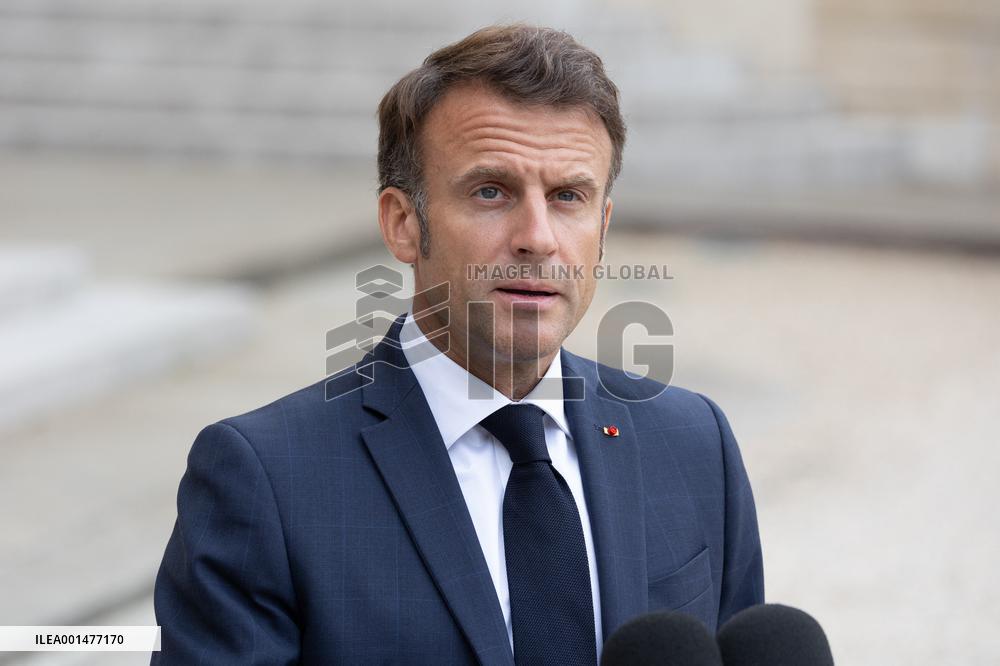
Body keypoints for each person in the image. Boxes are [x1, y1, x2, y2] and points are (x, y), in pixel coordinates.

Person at [152, 24, 763, 665]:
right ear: (403, 224)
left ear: (602, 227)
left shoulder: (695, 444)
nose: (537, 237)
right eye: (490, 191)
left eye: (568, 197)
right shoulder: (267, 479)